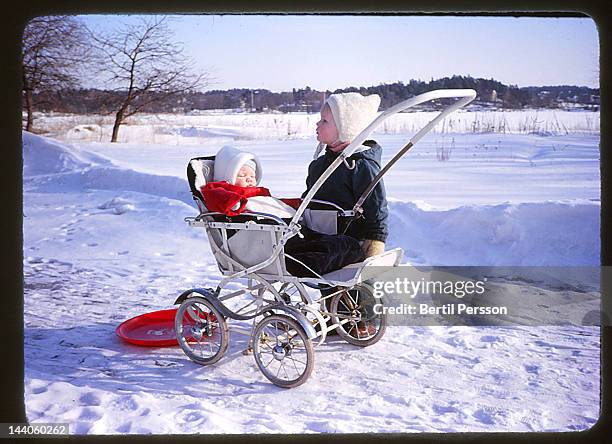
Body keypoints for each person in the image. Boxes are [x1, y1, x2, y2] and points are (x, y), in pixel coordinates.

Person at [200, 145, 365, 278]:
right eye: (242, 175)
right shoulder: (221, 190)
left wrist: (297, 205)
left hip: (291, 232)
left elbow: (278, 204)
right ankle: (314, 263)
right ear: (227, 177)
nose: (250, 179)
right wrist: (235, 203)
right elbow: (216, 197)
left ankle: (346, 250)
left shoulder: (260, 194)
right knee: (318, 253)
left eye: (252, 175)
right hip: (267, 242)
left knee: (343, 242)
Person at [304, 92, 389, 258]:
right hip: (317, 239)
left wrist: (375, 240)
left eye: (325, 121)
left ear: (345, 129)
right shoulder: (318, 165)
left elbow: (377, 206)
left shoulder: (360, 166)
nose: (317, 123)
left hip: (347, 245)